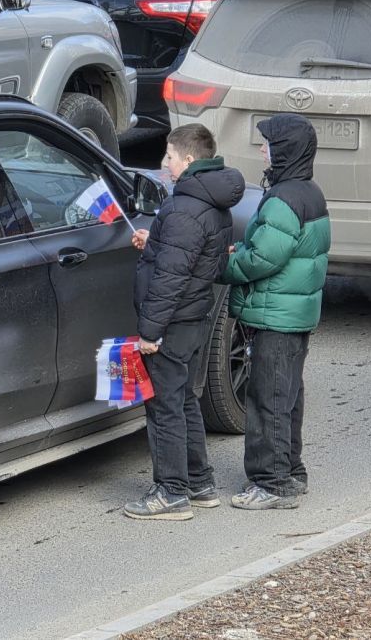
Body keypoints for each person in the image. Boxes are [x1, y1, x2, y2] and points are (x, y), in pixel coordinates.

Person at [124, 123, 246, 520]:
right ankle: (199, 481)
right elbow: (190, 258)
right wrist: (155, 240)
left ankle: (171, 491)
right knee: (185, 398)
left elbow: (169, 278)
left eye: (169, 157)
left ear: (189, 159)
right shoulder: (211, 202)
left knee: (164, 406)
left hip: (171, 322)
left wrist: (150, 332)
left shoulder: (181, 208)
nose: (164, 164)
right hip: (194, 316)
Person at [220, 113, 331, 510]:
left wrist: (225, 264)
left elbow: (264, 257)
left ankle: (272, 483)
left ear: (285, 150)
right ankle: (291, 470)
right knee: (287, 396)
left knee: (268, 397)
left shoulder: (284, 198)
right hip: (294, 313)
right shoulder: (307, 191)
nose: (262, 149)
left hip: (275, 315)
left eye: (268, 143)